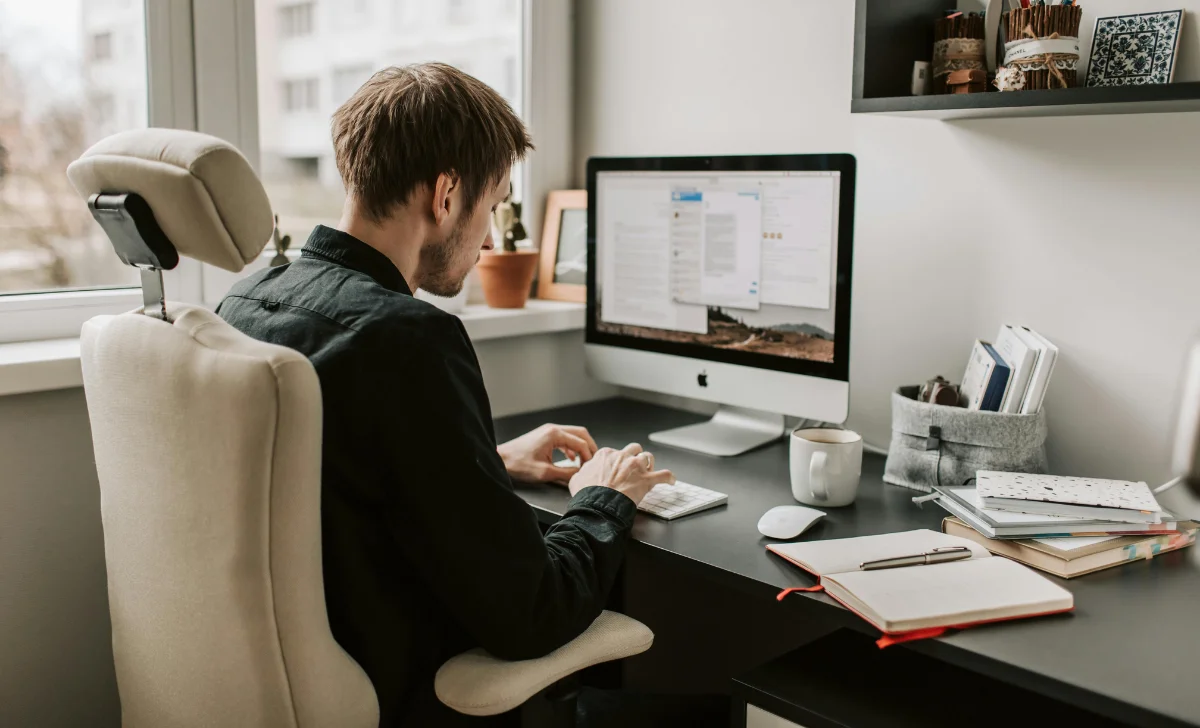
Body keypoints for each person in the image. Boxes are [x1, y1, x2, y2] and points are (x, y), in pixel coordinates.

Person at [216, 63, 679, 726]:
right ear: (446, 194)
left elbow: (331, 473)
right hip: (401, 689)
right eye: (491, 206)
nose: (491, 236)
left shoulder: (251, 297)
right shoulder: (409, 340)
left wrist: (485, 459)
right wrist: (604, 498)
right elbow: (531, 615)